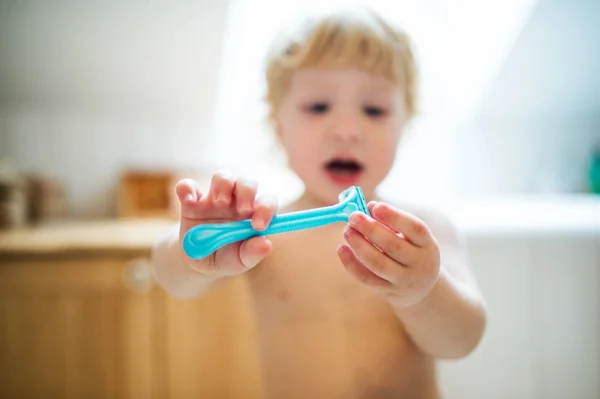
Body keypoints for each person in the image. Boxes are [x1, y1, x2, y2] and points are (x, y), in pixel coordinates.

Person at [152, 6, 487, 398]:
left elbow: (462, 341)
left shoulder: (421, 233)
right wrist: (189, 256)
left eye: (374, 109)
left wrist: (423, 291)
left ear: (404, 124)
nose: (346, 130)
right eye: (318, 107)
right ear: (279, 128)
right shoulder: (260, 232)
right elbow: (173, 280)